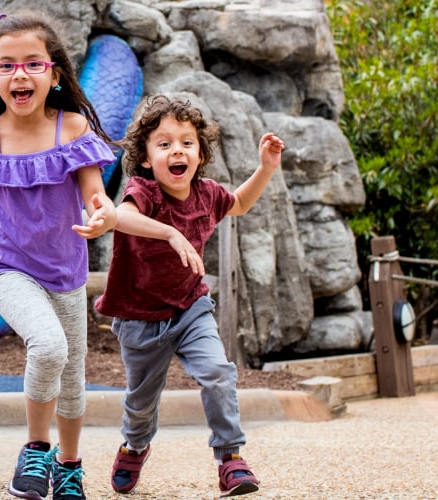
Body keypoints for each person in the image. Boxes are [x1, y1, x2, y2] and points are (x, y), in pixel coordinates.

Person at [0, 12, 120, 500]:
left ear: (54, 73)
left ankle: (70, 465)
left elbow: (94, 192)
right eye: (7, 65)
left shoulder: (73, 129)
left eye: (32, 63)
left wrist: (102, 213)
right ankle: (37, 450)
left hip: (65, 269)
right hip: (6, 263)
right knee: (48, 346)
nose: (19, 74)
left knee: (73, 376)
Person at [95, 95, 283, 497]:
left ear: (200, 154)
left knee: (218, 372)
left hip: (190, 308)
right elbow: (121, 217)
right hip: (140, 315)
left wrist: (265, 168)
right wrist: (169, 232)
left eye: (186, 142)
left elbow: (240, 204)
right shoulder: (143, 191)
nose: (177, 150)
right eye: (164, 144)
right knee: (141, 402)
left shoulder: (208, 194)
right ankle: (135, 445)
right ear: (147, 159)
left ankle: (230, 459)